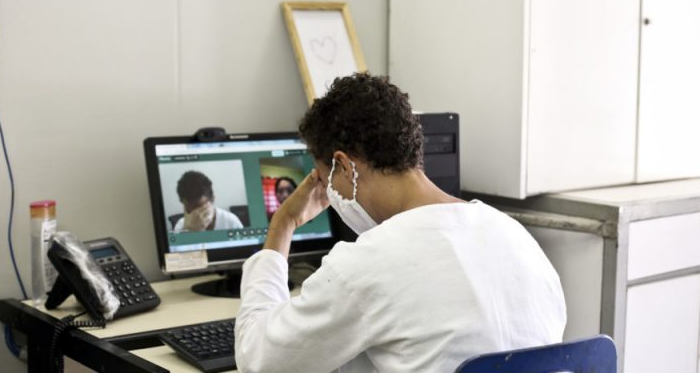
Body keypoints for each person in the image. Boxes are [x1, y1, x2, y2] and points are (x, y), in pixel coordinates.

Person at [234, 73, 566, 372]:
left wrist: (284, 223)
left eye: (324, 179)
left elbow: (259, 358)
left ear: (344, 166)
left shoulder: (366, 264)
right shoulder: (513, 234)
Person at [173, 170, 243, 232]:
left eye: (200, 208)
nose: (197, 215)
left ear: (213, 199)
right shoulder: (180, 226)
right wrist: (189, 232)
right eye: (189, 209)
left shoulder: (231, 222)